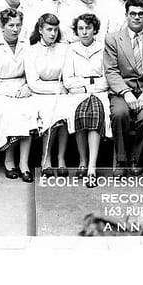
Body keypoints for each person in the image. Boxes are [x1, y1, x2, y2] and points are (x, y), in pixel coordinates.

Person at [103, 0, 143, 176]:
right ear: (126, 15)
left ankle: (136, 157)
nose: (136, 17)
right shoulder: (113, 39)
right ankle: (121, 159)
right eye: (133, 13)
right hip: (122, 90)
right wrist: (126, 92)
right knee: (119, 114)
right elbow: (111, 71)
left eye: (140, 14)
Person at [0, 8, 39, 183]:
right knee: (10, 112)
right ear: (2, 26)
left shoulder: (25, 44)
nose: (15, 29)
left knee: (29, 111)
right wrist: (12, 92)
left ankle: (24, 163)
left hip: (23, 88)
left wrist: (27, 87)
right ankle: (9, 160)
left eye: (18, 25)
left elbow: (30, 72)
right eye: (11, 25)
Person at [62, 14, 111, 188]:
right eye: (81, 28)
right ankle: (82, 160)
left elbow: (107, 78)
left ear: (95, 30)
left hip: (99, 92)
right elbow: (68, 80)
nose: (84, 32)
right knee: (80, 115)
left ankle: (92, 166)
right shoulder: (71, 49)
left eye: (88, 28)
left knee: (95, 114)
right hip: (78, 93)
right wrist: (84, 87)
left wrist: (90, 87)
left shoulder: (103, 48)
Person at [24, 13, 71, 177]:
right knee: (50, 111)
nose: (53, 33)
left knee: (65, 110)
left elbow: (66, 77)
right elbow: (33, 83)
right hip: (40, 94)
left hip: (62, 93)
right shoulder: (31, 51)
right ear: (40, 30)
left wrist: (62, 88)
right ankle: (46, 158)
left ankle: (61, 157)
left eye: (55, 30)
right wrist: (57, 89)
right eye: (49, 29)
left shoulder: (64, 49)